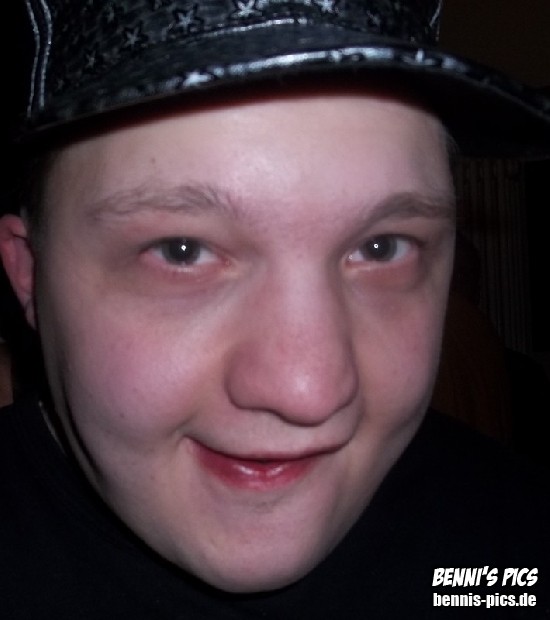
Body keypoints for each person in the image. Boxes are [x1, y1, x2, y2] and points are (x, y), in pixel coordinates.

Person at [1, 1, 549, 618]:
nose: (307, 393)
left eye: (382, 247)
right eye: (182, 251)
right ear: (29, 274)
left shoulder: (517, 554)